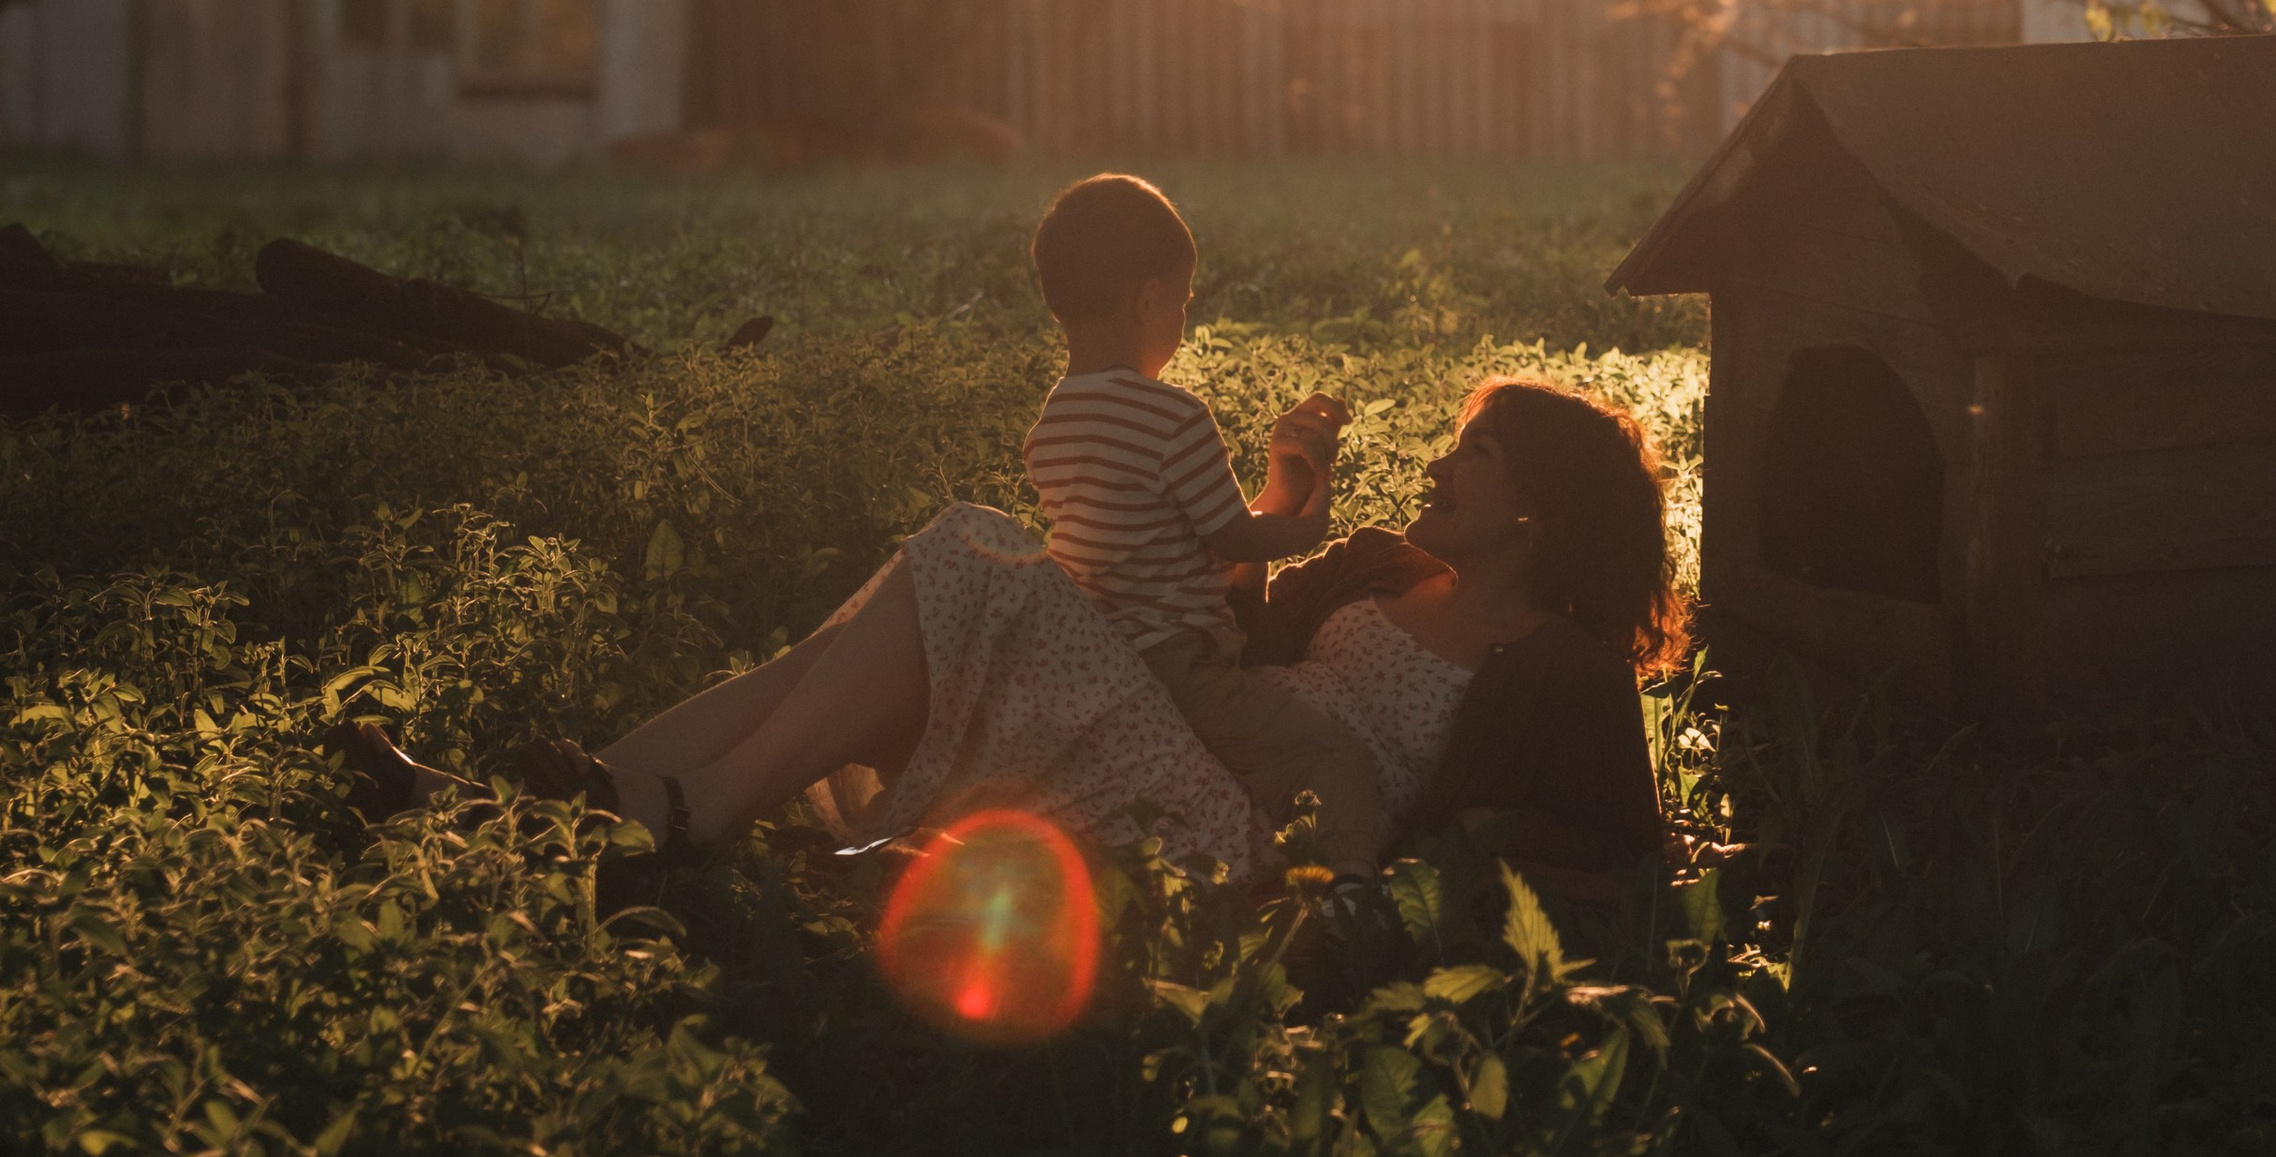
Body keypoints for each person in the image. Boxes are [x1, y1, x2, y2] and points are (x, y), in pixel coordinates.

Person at [337, 375, 1679, 917]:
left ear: (1539, 510)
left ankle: (635, 825)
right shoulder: (1384, 563)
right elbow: (1215, 613)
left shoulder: (1559, 670)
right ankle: (578, 821)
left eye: (1478, 452)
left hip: (1235, 835)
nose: (1445, 464)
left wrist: (1390, 885)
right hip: (1165, 731)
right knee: (900, 622)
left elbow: (1623, 855)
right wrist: (1281, 483)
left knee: (971, 555)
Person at [1021, 172, 1383, 875]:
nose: (1183, 322)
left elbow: (1160, 536)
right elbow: (1233, 540)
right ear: (1149, 299)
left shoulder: (1053, 423)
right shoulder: (1172, 417)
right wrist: (1313, 516)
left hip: (1091, 654)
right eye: (1183, 303)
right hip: (1175, 665)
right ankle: (1352, 904)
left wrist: (1275, 493)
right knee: (1337, 754)